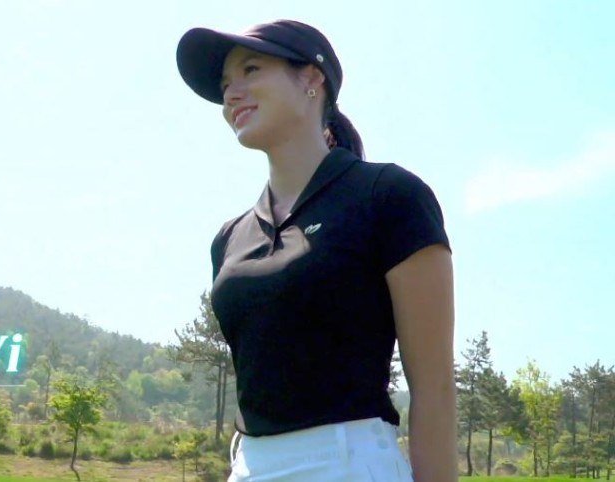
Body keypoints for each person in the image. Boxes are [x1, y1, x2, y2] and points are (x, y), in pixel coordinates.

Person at [175, 19, 457, 481]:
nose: (231, 95)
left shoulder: (388, 196)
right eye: (225, 84)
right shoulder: (229, 239)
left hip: (347, 463)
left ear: (311, 78)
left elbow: (435, 390)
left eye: (250, 70)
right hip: (250, 466)